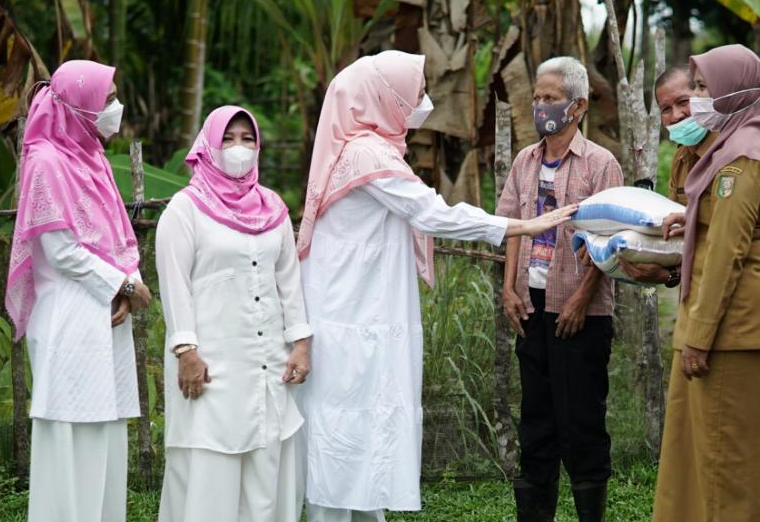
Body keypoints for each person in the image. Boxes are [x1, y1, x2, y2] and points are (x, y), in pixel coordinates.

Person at [294, 50, 574, 522]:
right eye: (415, 92)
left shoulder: (370, 149)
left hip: (363, 310)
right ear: (385, 97)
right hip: (352, 317)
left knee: (359, 425)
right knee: (344, 428)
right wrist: (517, 227)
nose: (422, 101)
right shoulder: (365, 154)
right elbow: (432, 213)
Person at [651, 45, 760, 522]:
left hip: (731, 329)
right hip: (734, 323)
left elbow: (726, 256)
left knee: (726, 470)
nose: (696, 99)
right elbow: (733, 229)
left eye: (701, 88)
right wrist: (694, 217)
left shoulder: (742, 160)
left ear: (734, 92)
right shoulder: (744, 146)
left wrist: (697, 339)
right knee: (697, 458)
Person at [619, 65, 760, 448]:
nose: (676, 117)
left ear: (711, 97)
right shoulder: (686, 159)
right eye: (666, 110)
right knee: (704, 441)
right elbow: (690, 244)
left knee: (738, 441)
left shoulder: (741, 159)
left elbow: (727, 248)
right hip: (706, 305)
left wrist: (698, 338)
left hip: (744, 312)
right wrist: (665, 273)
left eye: (685, 101)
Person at [6, 60, 151, 522]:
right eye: (106, 100)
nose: (114, 108)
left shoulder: (92, 158)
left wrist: (125, 287)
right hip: (69, 317)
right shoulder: (46, 160)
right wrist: (124, 283)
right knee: (70, 437)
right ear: (79, 105)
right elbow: (61, 249)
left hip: (106, 314)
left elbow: (114, 239)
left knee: (105, 434)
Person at [155, 105, 310, 522]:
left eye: (247, 139)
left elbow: (288, 280)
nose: (238, 148)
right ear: (208, 144)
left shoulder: (273, 207)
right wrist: (186, 350)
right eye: (228, 138)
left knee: (265, 465)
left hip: (268, 366)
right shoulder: (184, 210)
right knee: (211, 463)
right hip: (211, 367)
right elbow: (174, 285)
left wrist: (301, 342)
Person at [498, 56, 624, 522]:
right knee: (537, 423)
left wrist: (580, 298)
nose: (540, 106)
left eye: (550, 98)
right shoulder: (525, 162)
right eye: (536, 97)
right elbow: (514, 225)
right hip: (531, 308)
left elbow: (610, 240)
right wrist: (510, 289)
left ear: (578, 106)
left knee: (583, 423)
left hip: (581, 313)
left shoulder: (600, 164)